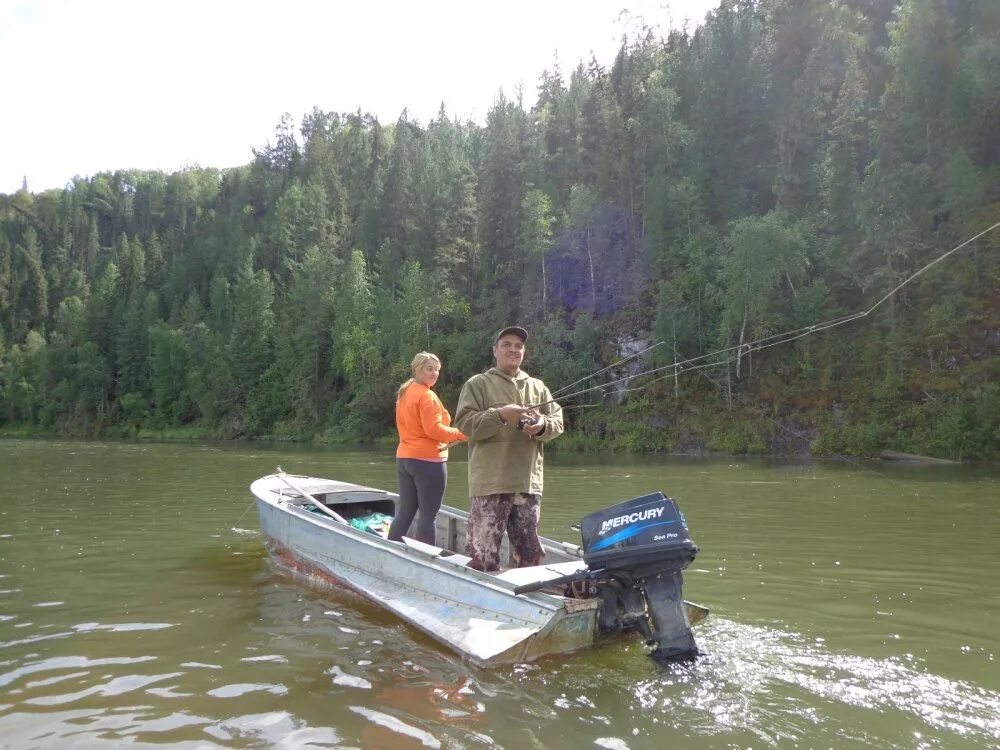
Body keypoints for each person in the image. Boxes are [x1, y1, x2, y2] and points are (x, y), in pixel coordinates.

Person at [454, 326, 564, 572]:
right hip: (490, 484)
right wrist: (500, 415)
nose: (513, 349)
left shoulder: (538, 387)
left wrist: (541, 425)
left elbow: (557, 422)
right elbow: (465, 424)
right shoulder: (478, 384)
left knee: (530, 557)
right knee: (482, 557)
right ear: (495, 350)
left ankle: (526, 602)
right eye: (507, 344)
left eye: (519, 346)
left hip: (528, 483)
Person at [388, 352, 467, 545]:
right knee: (428, 516)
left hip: (405, 459)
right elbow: (434, 430)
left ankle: (390, 547)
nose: (434, 373)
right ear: (417, 369)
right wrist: (460, 434)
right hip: (428, 462)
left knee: (406, 511)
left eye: (437, 370)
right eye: (429, 369)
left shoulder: (406, 391)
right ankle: (424, 558)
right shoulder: (427, 396)